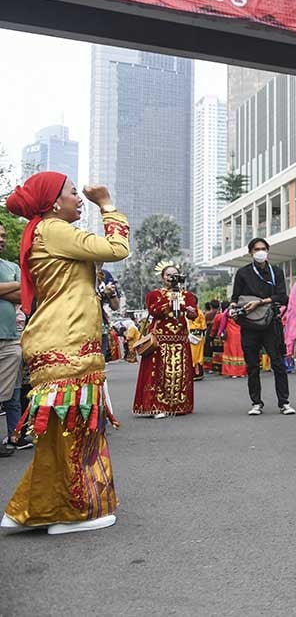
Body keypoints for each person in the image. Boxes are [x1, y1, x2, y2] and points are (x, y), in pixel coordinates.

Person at [1, 173, 129, 534]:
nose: (79, 198)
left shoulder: (47, 231)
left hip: (60, 340)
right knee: (75, 428)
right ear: (54, 202)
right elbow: (117, 250)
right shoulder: (54, 230)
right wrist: (107, 205)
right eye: (73, 193)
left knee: (62, 429)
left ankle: (35, 506)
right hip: (66, 342)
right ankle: (72, 512)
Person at [231, 238, 294, 415]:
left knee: (278, 363)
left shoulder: (276, 272)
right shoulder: (243, 273)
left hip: (271, 322)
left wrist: (260, 303)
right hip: (249, 323)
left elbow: (283, 297)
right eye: (257, 249)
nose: (260, 252)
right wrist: (233, 308)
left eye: (263, 249)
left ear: (268, 251)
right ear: (250, 252)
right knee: (252, 365)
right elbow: (235, 298)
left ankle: (284, 402)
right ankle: (256, 403)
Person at [132, 262, 198, 418]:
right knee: (158, 374)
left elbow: (193, 315)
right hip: (160, 340)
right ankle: (156, 406)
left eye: (175, 274)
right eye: (169, 275)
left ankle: (179, 405)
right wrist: (169, 302)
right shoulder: (154, 294)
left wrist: (190, 310)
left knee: (180, 374)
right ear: (162, 277)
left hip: (180, 340)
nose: (172, 278)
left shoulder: (187, 295)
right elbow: (154, 311)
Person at [0, 223, 22, 458]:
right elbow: (18, 289)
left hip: (10, 339)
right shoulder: (15, 273)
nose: (2, 239)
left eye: (4, 236)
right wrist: (17, 284)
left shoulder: (11, 266)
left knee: (7, 395)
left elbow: (23, 295)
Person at [188, 305, 207, 381]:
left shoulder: (186, 312)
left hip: (189, 335)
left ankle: (193, 373)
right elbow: (203, 326)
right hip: (198, 336)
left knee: (191, 355)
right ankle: (199, 373)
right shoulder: (199, 312)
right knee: (199, 355)